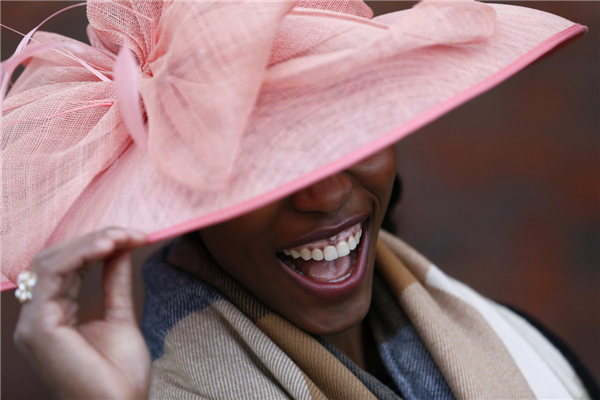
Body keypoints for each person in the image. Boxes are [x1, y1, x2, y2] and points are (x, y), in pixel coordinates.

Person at [2, 1, 598, 399]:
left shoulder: (521, 346)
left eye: (347, 128)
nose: (330, 191)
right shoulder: (143, 389)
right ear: (180, 195)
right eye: (261, 165)